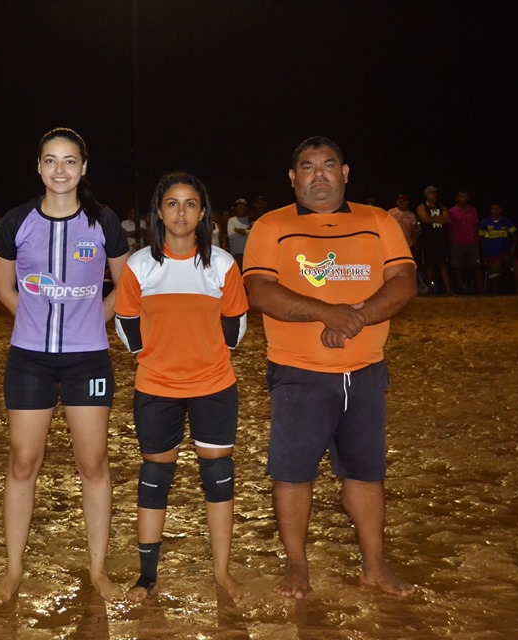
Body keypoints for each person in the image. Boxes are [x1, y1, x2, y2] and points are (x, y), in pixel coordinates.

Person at [243, 136, 417, 599]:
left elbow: (403, 281)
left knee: (366, 473)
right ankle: (297, 566)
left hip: (365, 372)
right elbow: (259, 291)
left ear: (345, 172)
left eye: (328, 165)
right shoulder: (270, 226)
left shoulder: (377, 221)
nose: (318, 174)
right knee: (293, 473)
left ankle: (374, 565)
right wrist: (327, 312)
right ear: (292, 177)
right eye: (307, 166)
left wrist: (355, 317)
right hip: (298, 373)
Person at [0, 127, 129, 604]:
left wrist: (91, 317)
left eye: (70, 161)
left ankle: (97, 570)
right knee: (23, 462)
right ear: (39, 167)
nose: (60, 169)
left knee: (93, 464)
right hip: (29, 360)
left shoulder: (104, 221)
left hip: (88, 359)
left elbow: (124, 286)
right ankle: (12, 571)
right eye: (51, 160)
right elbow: (4, 288)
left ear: (83, 168)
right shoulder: (16, 221)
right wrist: (33, 318)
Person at [114, 171, 250, 603]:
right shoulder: (140, 266)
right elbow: (126, 325)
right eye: (172, 203)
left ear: (203, 212)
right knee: (155, 476)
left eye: (190, 204)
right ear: (159, 211)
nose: (181, 212)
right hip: (157, 386)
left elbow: (236, 327)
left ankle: (223, 572)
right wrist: (154, 357)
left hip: (213, 385)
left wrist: (206, 356)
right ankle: (146, 577)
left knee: (218, 477)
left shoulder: (223, 265)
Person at [478, 203, 518, 294]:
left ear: (500, 210)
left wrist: (513, 247)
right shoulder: (484, 222)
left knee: (517, 265)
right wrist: (485, 250)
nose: (495, 211)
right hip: (491, 254)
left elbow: (515, 234)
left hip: (504, 253)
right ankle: (495, 292)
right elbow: (480, 238)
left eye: (497, 209)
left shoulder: (507, 221)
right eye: (493, 209)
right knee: (495, 283)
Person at [416, 186, 452, 295]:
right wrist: (439, 219)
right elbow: (424, 218)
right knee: (429, 265)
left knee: (443, 264)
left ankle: (448, 289)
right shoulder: (421, 207)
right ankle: (430, 290)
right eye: (432, 193)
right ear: (427, 195)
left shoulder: (441, 207)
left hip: (440, 240)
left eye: (435, 193)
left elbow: (447, 219)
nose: (435, 195)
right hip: (428, 240)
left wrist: (432, 219)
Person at [447, 191, 483, 294]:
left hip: (471, 241)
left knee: (476, 265)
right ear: (457, 197)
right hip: (457, 242)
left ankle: (480, 287)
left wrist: (476, 238)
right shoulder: (452, 211)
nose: (463, 198)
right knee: (458, 267)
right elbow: (449, 228)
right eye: (461, 196)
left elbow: (476, 225)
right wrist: (451, 241)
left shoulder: (472, 210)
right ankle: (461, 288)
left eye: (465, 196)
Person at [227, 198, 251, 269]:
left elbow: (252, 234)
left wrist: (238, 230)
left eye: (242, 206)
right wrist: (246, 232)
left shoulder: (249, 219)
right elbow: (231, 235)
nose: (239, 208)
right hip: (235, 254)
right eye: (238, 207)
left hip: (248, 253)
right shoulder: (231, 220)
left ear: (246, 208)